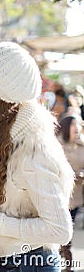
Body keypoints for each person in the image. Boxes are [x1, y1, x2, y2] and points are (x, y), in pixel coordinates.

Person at [0, 42, 74, 271]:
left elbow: (60, 230)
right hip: (3, 262)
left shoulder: (32, 149)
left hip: (32, 263)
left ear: (3, 95)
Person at [57, 114, 84, 271]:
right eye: (74, 125)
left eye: (79, 125)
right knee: (63, 230)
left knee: (71, 231)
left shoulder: (82, 146)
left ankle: (67, 260)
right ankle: (67, 259)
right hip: (60, 197)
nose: (77, 128)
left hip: (77, 197)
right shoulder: (56, 146)